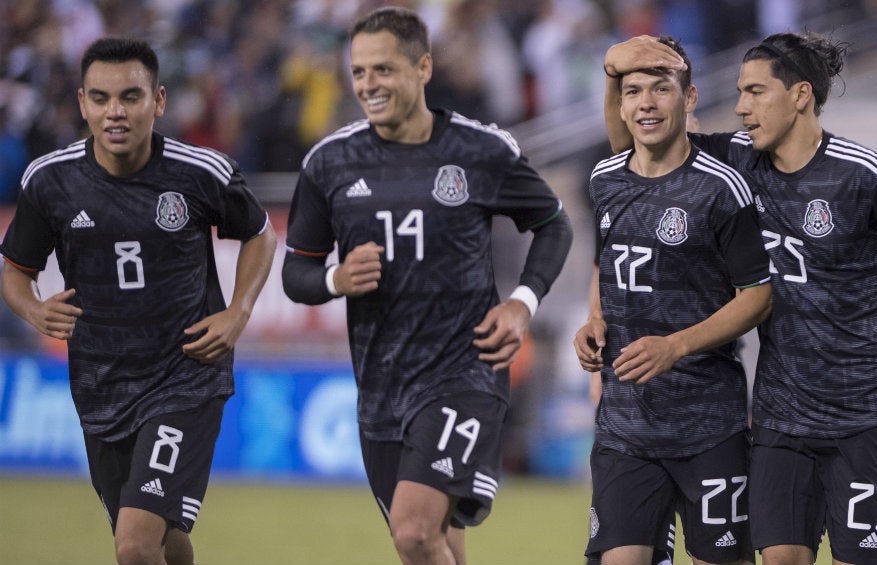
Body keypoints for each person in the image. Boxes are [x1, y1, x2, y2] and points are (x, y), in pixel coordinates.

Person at [603, 32, 877, 565]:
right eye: (740, 93)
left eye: (756, 92)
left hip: (868, 418)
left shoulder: (863, 174)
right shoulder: (736, 161)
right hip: (780, 420)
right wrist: (617, 74)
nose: (742, 107)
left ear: (800, 95)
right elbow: (635, 155)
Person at [280, 7, 572, 565]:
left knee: (413, 533)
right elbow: (297, 275)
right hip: (381, 384)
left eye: (383, 70)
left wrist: (521, 302)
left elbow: (553, 224)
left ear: (423, 68)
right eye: (359, 71)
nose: (368, 84)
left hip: (466, 370)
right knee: (436, 543)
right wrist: (335, 279)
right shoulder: (329, 163)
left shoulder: (481, 151)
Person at [0, 38, 276, 565]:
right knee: (161, 543)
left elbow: (260, 234)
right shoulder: (50, 181)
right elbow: (16, 273)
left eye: (131, 96)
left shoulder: (199, 172)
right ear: (82, 103)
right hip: (100, 384)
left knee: (134, 544)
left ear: (160, 100)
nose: (116, 112)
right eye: (101, 98)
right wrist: (34, 309)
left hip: (186, 376)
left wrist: (238, 312)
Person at [573, 35, 771, 565]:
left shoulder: (723, 187)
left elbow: (758, 296)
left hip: (709, 424)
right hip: (625, 425)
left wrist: (676, 346)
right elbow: (606, 265)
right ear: (620, 104)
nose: (646, 103)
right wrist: (593, 320)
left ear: (688, 99)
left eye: (661, 89)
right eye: (633, 91)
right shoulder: (603, 180)